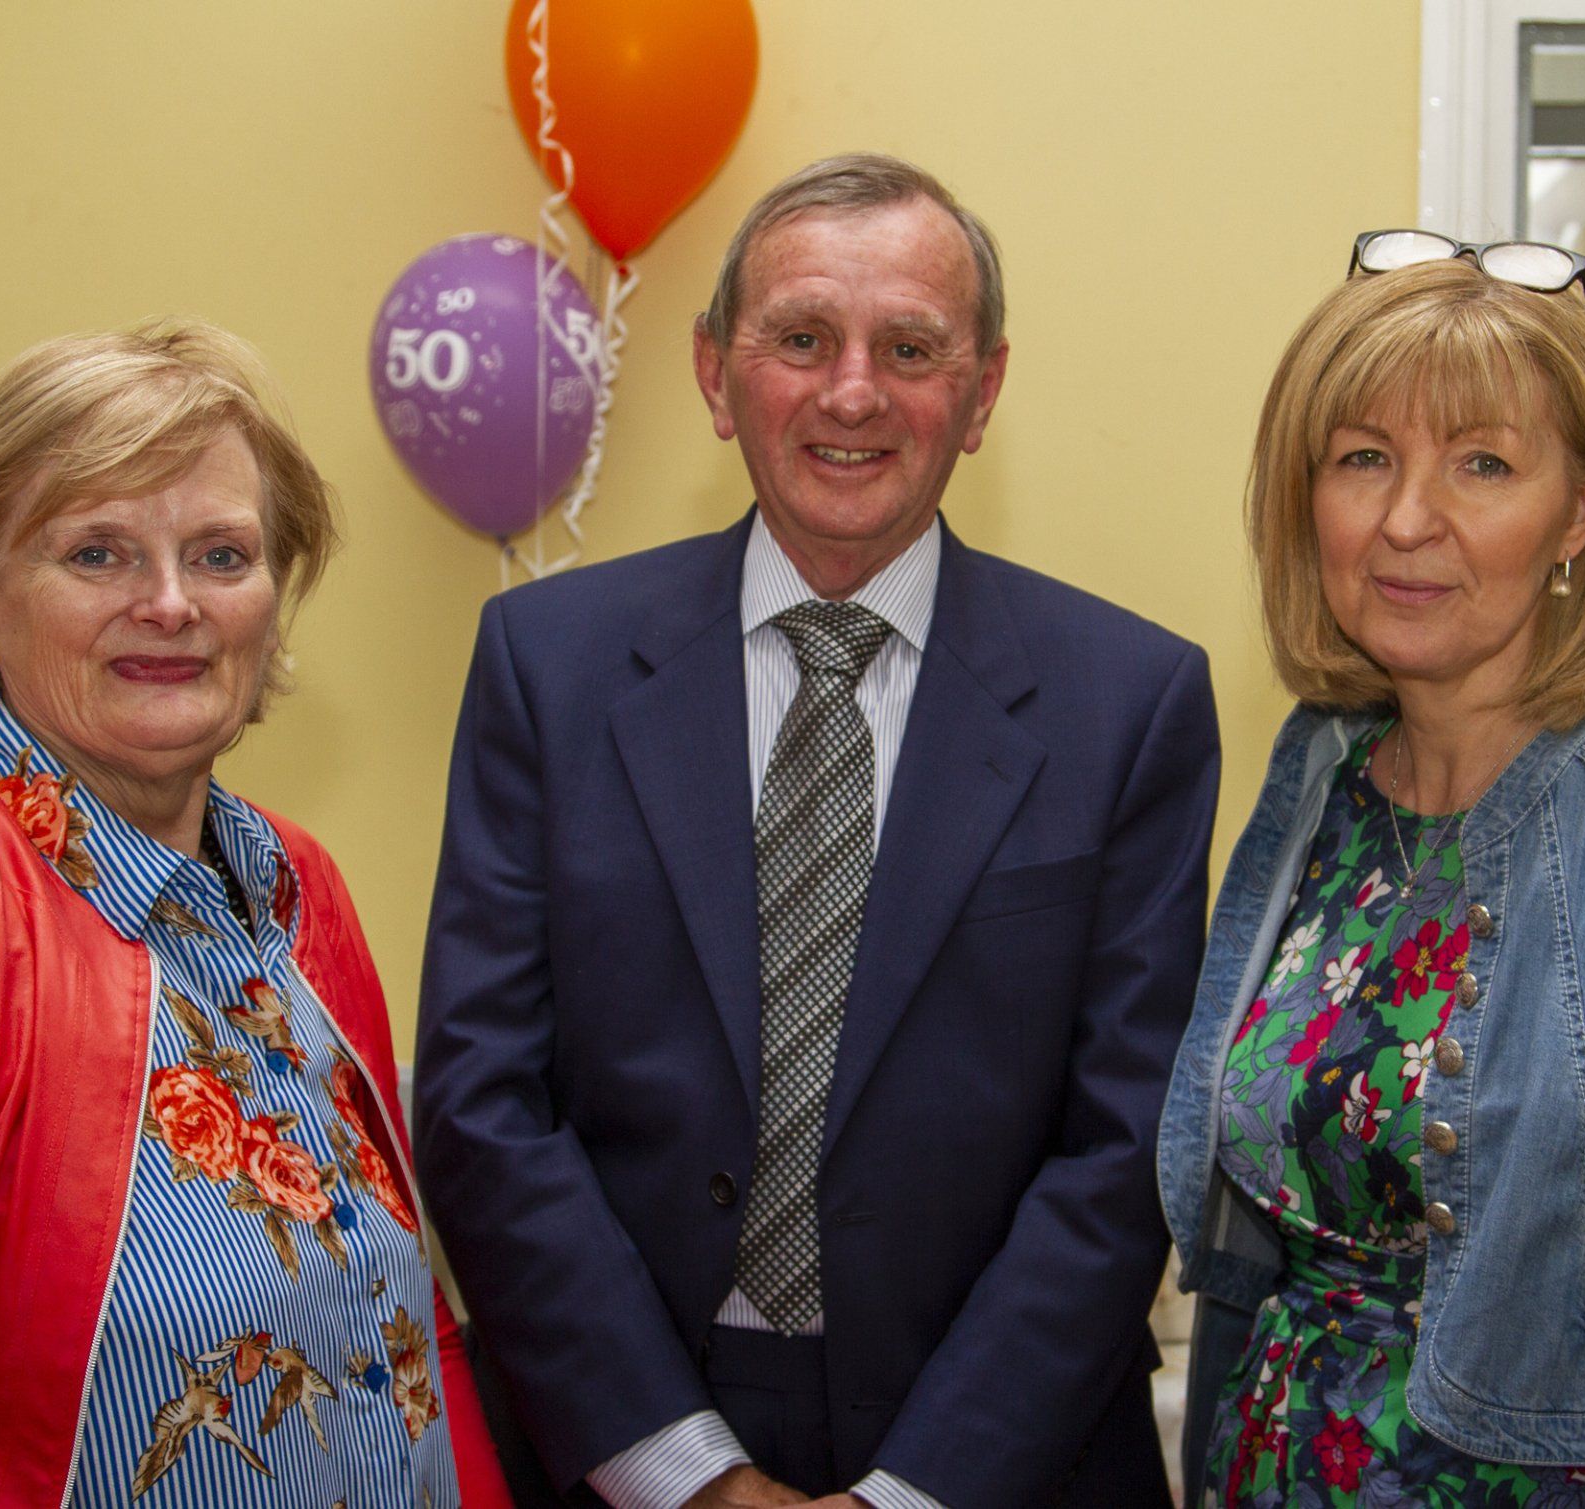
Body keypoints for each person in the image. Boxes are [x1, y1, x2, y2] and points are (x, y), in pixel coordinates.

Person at [415, 153, 1221, 1509]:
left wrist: (910, 1494)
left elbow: (1125, 1146)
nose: (854, 392)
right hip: (618, 1430)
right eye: (800, 338)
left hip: (999, 1454)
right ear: (715, 370)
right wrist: (691, 1478)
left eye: (910, 346)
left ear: (983, 392)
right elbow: (482, 1100)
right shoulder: (544, 665)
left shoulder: (1130, 702)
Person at [0, 321, 510, 1508]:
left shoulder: (297, 888)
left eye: (221, 555)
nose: (168, 603)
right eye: (96, 554)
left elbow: (409, 1343)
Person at [1158, 235, 1585, 1508]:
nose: (1406, 520)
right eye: (1364, 458)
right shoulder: (1318, 776)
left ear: (1583, 508)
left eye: (1482, 464)